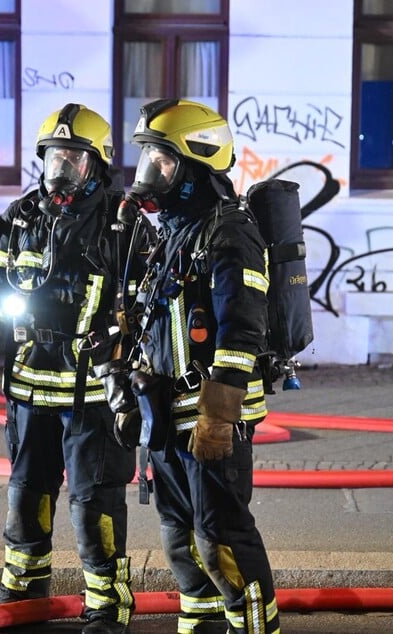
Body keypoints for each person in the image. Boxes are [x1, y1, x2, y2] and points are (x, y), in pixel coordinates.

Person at [0, 103, 150, 634]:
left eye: (73, 157)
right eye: (54, 156)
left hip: (93, 394)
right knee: (27, 495)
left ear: (97, 164)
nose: (61, 167)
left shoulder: (124, 225)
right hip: (29, 388)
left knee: (94, 505)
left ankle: (107, 607)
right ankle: (22, 596)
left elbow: (148, 307)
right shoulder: (21, 218)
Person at [124, 99, 280, 633]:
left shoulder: (229, 231)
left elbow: (242, 328)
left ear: (196, 166)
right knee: (181, 541)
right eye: (147, 159)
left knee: (221, 541)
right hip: (168, 418)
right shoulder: (174, 232)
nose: (150, 173)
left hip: (211, 421)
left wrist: (219, 414)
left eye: (162, 161)